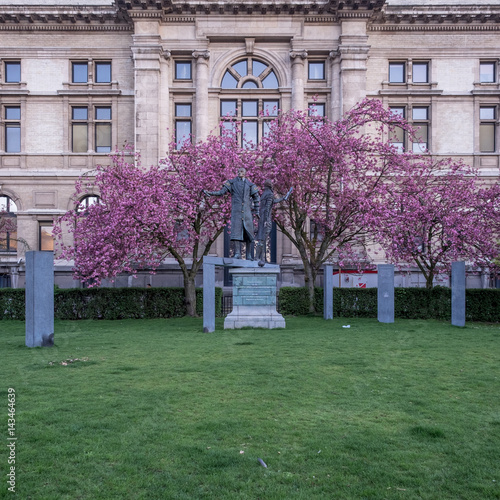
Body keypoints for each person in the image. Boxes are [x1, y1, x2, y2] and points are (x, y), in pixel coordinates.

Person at [203, 167, 260, 260]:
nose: (239, 172)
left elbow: (256, 197)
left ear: (245, 173)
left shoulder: (250, 185)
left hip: (247, 212)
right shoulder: (231, 182)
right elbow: (222, 192)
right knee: (237, 232)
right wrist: (211, 193)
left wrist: (257, 210)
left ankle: (249, 255)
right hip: (236, 212)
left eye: (241, 171)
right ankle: (237, 253)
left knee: (249, 233)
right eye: (238, 171)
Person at [255, 180, 293, 265]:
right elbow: (268, 207)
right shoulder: (270, 194)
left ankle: (259, 257)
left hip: (261, 219)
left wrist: (282, 198)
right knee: (263, 238)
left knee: (261, 238)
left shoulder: (264, 194)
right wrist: (266, 220)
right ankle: (259, 257)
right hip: (266, 219)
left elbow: (272, 202)